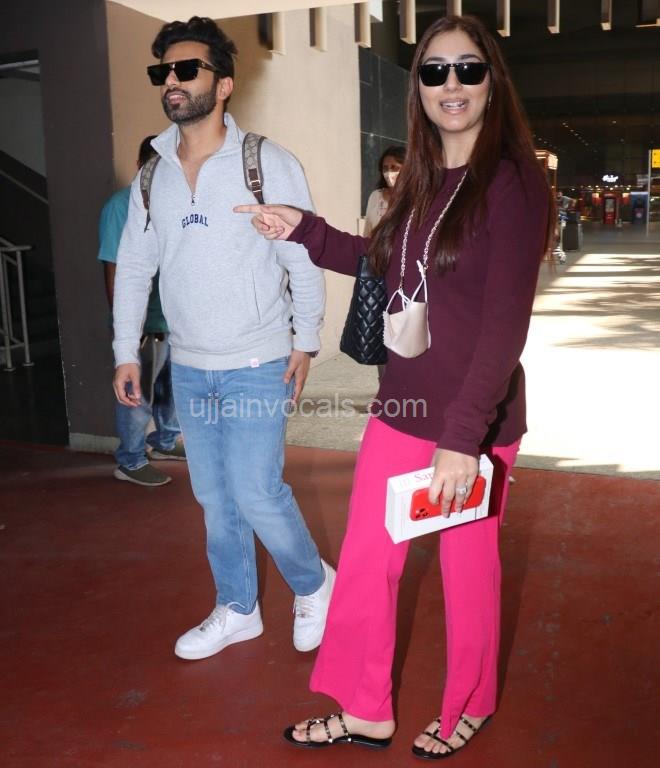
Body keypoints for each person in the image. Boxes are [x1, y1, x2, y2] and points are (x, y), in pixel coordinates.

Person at [236, 14, 553, 759]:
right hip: (403, 407)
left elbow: (504, 327)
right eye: (435, 70)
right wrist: (303, 228)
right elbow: (381, 258)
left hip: (473, 424)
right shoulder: (420, 177)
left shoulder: (512, 184)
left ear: (492, 81)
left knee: (467, 571)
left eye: (468, 68)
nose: (452, 84)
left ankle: (470, 701)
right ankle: (365, 709)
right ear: (420, 87)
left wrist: (462, 439)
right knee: (365, 563)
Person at [111, 17, 334, 661]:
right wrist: (126, 351)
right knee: (213, 497)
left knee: (258, 491)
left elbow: (302, 257)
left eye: (187, 69)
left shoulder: (266, 163)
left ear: (225, 83)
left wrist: (306, 339)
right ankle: (238, 607)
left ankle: (315, 584)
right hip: (188, 364)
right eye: (163, 72)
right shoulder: (153, 173)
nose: (172, 81)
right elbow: (134, 267)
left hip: (257, 359)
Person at [98, 136, 184, 487]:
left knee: (170, 387)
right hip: (142, 322)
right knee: (137, 392)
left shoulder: (170, 202)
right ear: (139, 166)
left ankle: (164, 441)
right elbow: (115, 267)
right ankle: (131, 460)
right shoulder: (120, 206)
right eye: (152, 167)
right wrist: (127, 330)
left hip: (171, 317)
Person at [363, 145, 406, 236]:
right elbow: (367, 232)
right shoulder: (375, 196)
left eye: (394, 167)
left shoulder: (416, 199)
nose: (389, 172)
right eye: (385, 168)